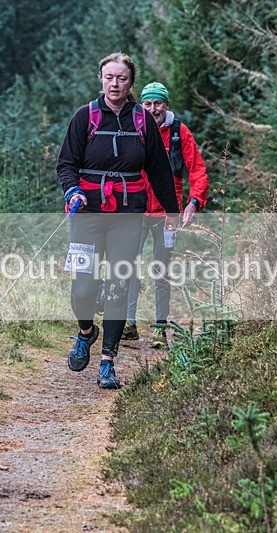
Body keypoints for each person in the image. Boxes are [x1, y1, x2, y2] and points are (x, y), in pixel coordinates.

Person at [57, 53, 181, 389]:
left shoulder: (143, 120)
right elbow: (66, 164)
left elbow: (158, 169)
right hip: (86, 213)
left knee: (117, 284)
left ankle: (108, 362)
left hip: (128, 214)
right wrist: (72, 192)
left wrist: (171, 211)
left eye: (122, 78)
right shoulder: (85, 117)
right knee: (83, 287)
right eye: (109, 77)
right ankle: (86, 332)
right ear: (101, 79)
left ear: (131, 83)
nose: (115, 84)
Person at [121, 82, 209, 348]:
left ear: (166, 105)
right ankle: (129, 323)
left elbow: (198, 170)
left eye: (158, 103)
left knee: (161, 271)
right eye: (147, 103)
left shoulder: (179, 133)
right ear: (141, 105)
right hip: (135, 210)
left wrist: (194, 201)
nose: (153, 108)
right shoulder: (133, 128)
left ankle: (160, 328)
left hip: (168, 215)